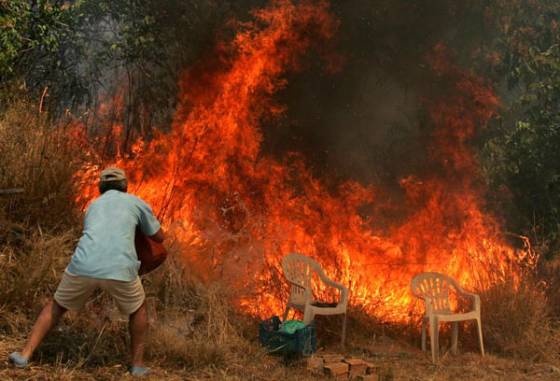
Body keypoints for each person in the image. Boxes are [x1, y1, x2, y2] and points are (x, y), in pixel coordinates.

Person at [8, 167, 164, 377]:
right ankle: (137, 365)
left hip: (83, 264)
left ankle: (24, 355)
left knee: (56, 305)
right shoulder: (135, 202)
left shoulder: (92, 205)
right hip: (120, 267)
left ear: (100, 187)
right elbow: (159, 237)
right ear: (125, 186)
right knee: (138, 309)